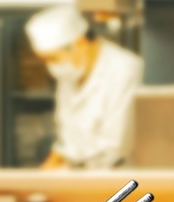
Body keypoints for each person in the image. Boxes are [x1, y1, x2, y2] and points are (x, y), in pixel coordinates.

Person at [26, 6, 143, 169]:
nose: (50, 66)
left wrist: (68, 166)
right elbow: (66, 140)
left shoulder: (124, 69)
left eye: (52, 58)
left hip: (119, 180)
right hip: (81, 179)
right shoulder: (71, 72)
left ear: (80, 44)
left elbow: (115, 148)